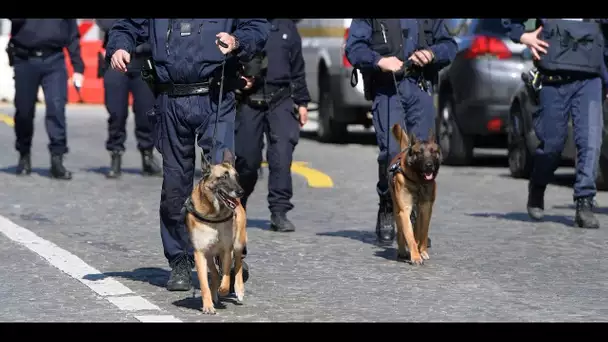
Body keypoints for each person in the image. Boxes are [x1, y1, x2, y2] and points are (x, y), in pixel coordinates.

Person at [106, 19, 269, 291]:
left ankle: (227, 255)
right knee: (174, 185)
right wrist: (119, 48)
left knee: (223, 179)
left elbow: (257, 26)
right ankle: (180, 260)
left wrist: (237, 41)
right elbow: (125, 26)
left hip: (215, 95)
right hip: (171, 101)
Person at [345, 19, 457, 245]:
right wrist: (379, 61)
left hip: (419, 86)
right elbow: (354, 48)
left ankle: (417, 219)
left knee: (425, 155)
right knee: (392, 153)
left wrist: (432, 53)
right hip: (388, 89)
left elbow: (449, 45)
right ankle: (387, 203)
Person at [502, 19, 608, 229]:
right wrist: (523, 36)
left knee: (591, 140)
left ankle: (584, 201)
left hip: (590, 78)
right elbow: (509, 21)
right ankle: (538, 185)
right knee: (552, 145)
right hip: (553, 77)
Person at [235, 18, 310, 232]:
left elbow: (297, 66)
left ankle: (279, 211)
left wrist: (302, 102)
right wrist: (238, 79)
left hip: (281, 98)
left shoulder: (287, 26)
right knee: (247, 160)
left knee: (282, 154)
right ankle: (240, 202)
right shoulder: (241, 23)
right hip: (249, 99)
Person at [6, 19, 85, 179]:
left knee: (57, 108)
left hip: (54, 60)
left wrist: (77, 66)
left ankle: (57, 159)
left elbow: (71, 32)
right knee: (24, 112)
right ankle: (24, 154)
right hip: (25, 59)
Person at [95, 19, 162, 179]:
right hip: (116, 59)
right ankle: (115, 154)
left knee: (147, 112)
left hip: (145, 60)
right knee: (116, 112)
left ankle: (147, 155)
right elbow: (105, 23)